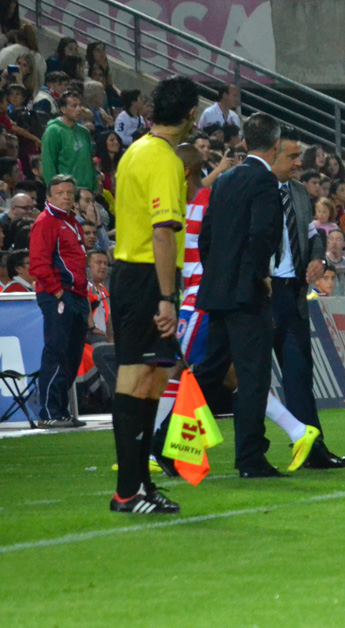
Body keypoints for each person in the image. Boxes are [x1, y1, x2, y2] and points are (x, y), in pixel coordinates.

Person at [107, 75, 198, 514]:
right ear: (191, 115)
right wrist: (167, 296)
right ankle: (128, 490)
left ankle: (140, 485)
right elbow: (163, 231)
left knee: (152, 378)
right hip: (148, 276)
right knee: (137, 378)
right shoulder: (163, 159)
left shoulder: (133, 153)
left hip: (130, 271)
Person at [192, 113, 284, 478]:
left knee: (209, 372)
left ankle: (165, 442)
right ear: (275, 146)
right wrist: (260, 276)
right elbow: (262, 236)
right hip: (247, 295)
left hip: (217, 292)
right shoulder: (265, 181)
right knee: (253, 376)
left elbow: (206, 236)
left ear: (245, 142)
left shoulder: (225, 179)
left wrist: (218, 276)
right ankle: (249, 456)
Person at [269, 129, 345, 470]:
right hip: (263, 290)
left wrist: (318, 258)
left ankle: (312, 448)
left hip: (292, 292)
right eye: (291, 157)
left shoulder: (299, 194)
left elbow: (312, 236)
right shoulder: (259, 190)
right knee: (227, 373)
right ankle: (162, 446)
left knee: (299, 371)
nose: (297, 164)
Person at [28, 174, 87, 429]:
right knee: (57, 351)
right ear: (49, 197)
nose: (66, 197)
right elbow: (39, 263)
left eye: (69, 193)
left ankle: (60, 410)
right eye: (60, 193)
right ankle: (49, 412)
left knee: (72, 354)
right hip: (59, 295)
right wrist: (58, 292)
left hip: (76, 294)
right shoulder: (47, 222)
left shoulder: (71, 221)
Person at [40, 90, 97, 192]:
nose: (79, 109)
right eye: (74, 106)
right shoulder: (53, 131)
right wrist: (55, 192)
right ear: (63, 109)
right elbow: (48, 164)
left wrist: (94, 187)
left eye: (80, 106)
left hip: (86, 190)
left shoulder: (84, 132)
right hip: (67, 192)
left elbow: (90, 162)